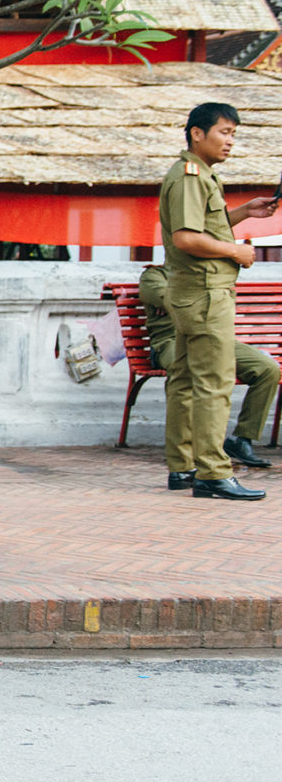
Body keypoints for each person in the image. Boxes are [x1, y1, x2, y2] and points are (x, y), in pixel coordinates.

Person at [157, 102, 276, 500]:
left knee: (188, 380)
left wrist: (242, 213)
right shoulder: (191, 176)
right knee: (215, 381)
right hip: (206, 293)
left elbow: (202, 223)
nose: (230, 141)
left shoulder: (198, 175)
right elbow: (186, 238)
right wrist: (235, 250)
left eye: (233, 134)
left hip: (194, 293)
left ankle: (183, 467)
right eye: (224, 132)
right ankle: (213, 472)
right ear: (197, 133)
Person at [139, 263, 279, 472]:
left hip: (213, 336)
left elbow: (189, 301)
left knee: (268, 368)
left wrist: (182, 300)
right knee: (185, 368)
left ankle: (243, 439)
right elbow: (172, 300)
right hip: (171, 340)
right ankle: (188, 450)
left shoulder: (209, 274)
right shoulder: (154, 275)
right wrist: (196, 299)